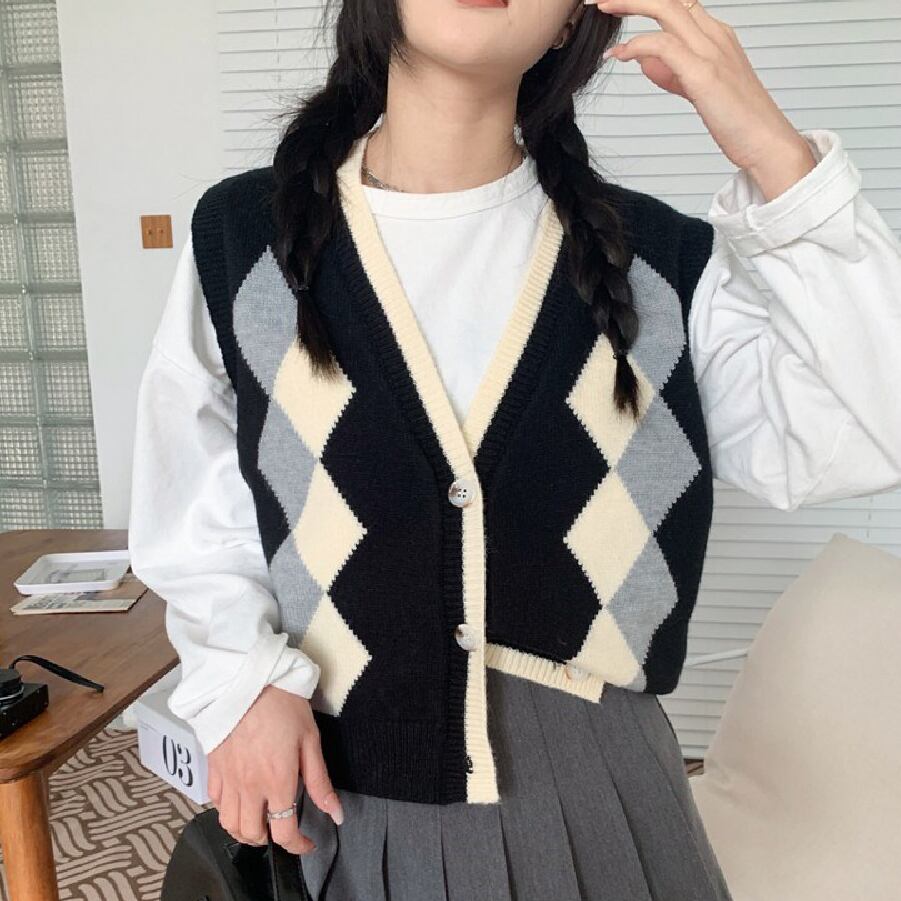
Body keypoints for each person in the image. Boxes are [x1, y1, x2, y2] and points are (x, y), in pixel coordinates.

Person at [128, 0, 901, 898]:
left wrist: (776, 156)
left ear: (572, 21)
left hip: (601, 793)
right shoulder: (245, 242)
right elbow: (197, 505)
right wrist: (241, 681)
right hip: (354, 785)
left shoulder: (659, 265)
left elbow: (870, 425)